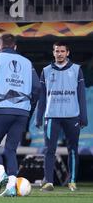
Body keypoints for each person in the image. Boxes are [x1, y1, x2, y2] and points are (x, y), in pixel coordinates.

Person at [0, 34, 41, 197]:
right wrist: (29, 108)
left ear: (0, 45)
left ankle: (1, 176)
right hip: (22, 112)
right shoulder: (27, 63)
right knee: (11, 149)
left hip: (2, 109)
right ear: (15, 46)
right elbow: (37, 89)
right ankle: (12, 187)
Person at [36, 41, 88, 192]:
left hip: (72, 116)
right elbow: (42, 98)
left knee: (72, 149)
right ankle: (49, 182)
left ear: (68, 53)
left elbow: (81, 95)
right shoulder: (46, 71)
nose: (59, 54)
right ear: (53, 53)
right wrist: (39, 117)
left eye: (62, 51)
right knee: (49, 150)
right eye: (57, 51)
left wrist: (83, 117)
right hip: (52, 116)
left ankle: (72, 181)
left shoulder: (77, 70)